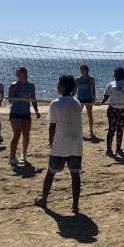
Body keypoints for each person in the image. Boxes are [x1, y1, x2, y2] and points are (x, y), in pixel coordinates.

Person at [34, 75, 82, 214]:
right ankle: (75, 205)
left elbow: (52, 126)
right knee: (75, 174)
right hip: (76, 144)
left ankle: (43, 199)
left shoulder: (55, 103)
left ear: (62, 87)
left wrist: (50, 141)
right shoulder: (77, 103)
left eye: (58, 84)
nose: (56, 86)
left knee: (51, 172)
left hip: (60, 143)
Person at [8, 67, 39, 166]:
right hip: (16, 113)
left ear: (25, 73)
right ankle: (12, 157)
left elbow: (33, 99)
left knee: (26, 135)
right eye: (17, 72)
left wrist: (36, 111)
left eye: (19, 72)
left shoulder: (31, 86)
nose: (17, 73)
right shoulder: (13, 86)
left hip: (26, 113)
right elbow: (10, 100)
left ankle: (24, 154)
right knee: (16, 135)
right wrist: (21, 98)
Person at [75, 65, 96, 139]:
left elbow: (93, 89)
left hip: (88, 98)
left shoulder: (91, 79)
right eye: (81, 69)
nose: (81, 70)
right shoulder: (77, 79)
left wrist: (94, 98)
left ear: (87, 70)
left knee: (90, 115)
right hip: (80, 99)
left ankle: (91, 130)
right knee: (77, 115)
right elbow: (75, 90)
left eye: (83, 69)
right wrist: (70, 97)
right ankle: (78, 131)